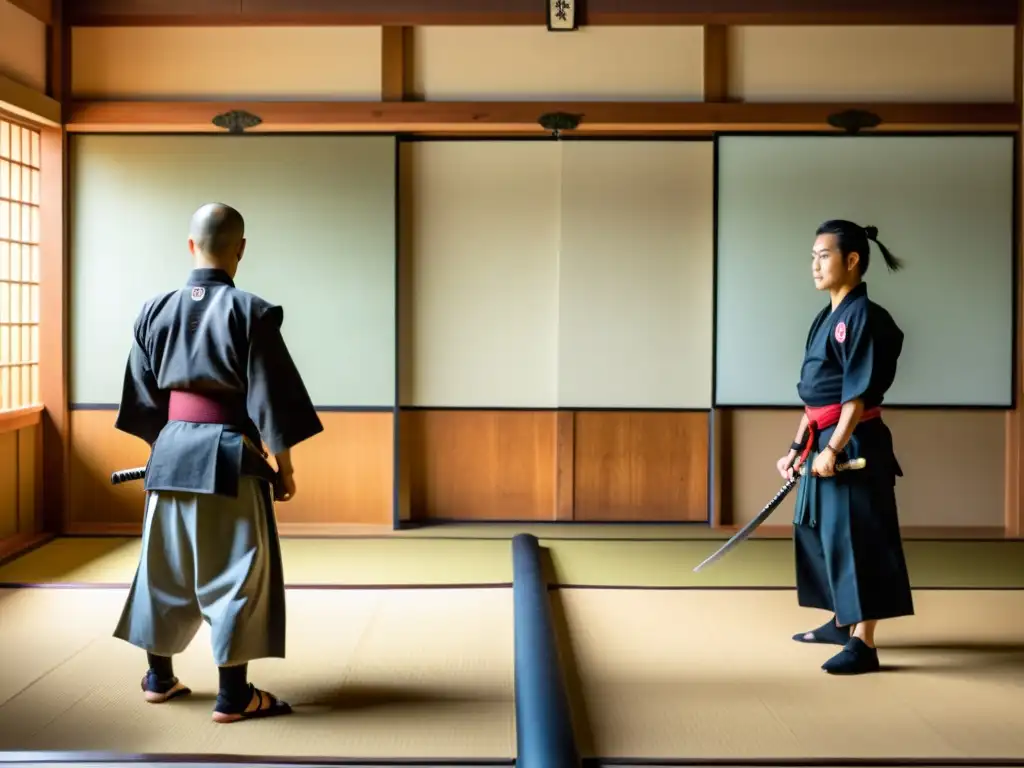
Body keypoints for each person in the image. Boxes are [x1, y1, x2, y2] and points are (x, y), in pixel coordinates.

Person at [111, 202, 324, 722]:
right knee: (237, 573)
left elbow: (142, 400)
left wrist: (169, 450)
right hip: (231, 455)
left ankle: (159, 678)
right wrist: (285, 472)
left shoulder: (152, 310)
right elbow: (272, 400)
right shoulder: (251, 311)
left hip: (168, 456)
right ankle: (235, 696)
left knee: (162, 567)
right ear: (241, 249)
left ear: (190, 246)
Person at [775, 219, 914, 676]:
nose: (814, 265)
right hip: (823, 440)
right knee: (822, 534)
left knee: (860, 539)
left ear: (852, 260)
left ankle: (864, 642)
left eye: (823, 255)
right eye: (812, 256)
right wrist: (798, 448)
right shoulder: (826, 317)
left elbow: (856, 395)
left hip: (853, 442)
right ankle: (841, 622)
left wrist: (832, 450)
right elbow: (816, 394)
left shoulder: (865, 317)